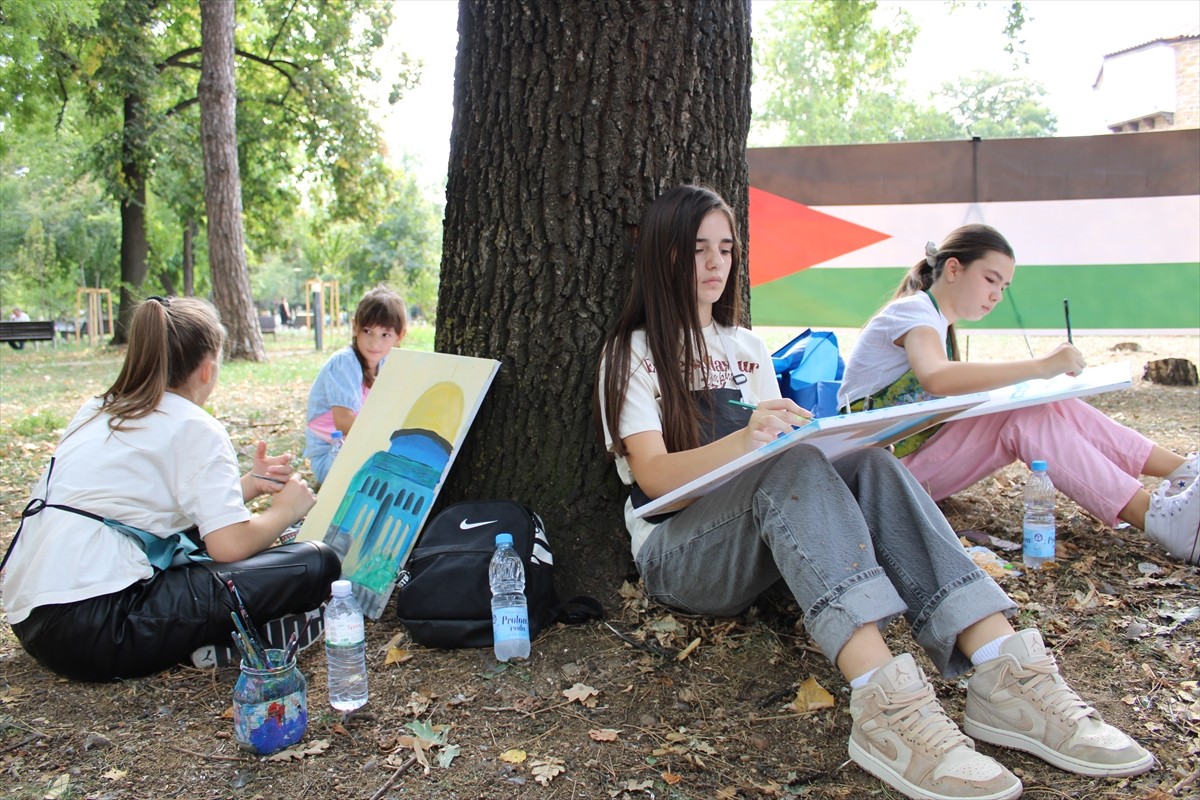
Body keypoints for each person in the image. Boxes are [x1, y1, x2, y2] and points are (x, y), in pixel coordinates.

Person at [595, 185, 1152, 800]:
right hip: (680, 552)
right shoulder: (632, 352)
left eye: (725, 248)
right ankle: (886, 703)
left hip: (759, 540)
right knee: (791, 468)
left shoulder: (746, 346)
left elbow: (778, 457)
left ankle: (1003, 670)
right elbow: (654, 480)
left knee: (871, 463)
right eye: (697, 248)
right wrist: (751, 441)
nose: (715, 263)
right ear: (663, 257)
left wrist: (804, 437)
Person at [0, 296, 341, 681]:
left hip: (31, 618)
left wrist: (248, 486)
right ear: (209, 369)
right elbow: (228, 546)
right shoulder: (193, 424)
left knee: (199, 552)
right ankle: (227, 640)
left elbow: (143, 509)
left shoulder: (100, 408)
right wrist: (287, 510)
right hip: (100, 627)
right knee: (316, 561)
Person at [839, 224, 1199, 566]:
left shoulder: (932, 319)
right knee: (1024, 417)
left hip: (900, 467)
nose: (996, 295)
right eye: (990, 279)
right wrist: (1041, 365)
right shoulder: (912, 312)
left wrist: (1040, 377)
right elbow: (937, 377)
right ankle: (1155, 519)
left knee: (1043, 401)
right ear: (953, 269)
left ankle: (1183, 471)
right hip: (876, 480)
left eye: (1004, 287)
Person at [304, 285, 407, 483]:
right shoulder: (345, 362)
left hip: (357, 447)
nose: (374, 343)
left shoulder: (385, 363)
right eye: (367, 331)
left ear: (399, 336)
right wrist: (390, 434)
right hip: (330, 454)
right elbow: (344, 423)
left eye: (385, 334)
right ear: (355, 327)